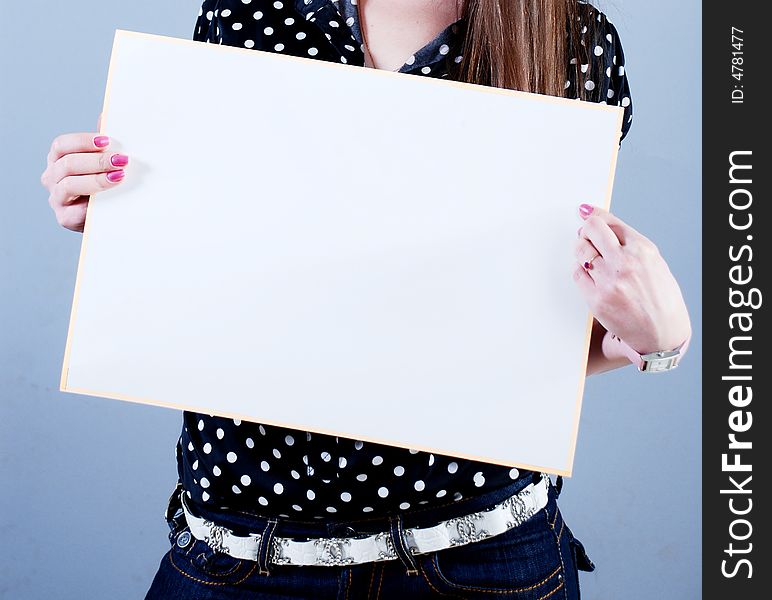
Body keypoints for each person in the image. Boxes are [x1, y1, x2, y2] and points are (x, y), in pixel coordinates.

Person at [40, 1, 692, 598]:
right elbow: (234, 275)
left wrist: (657, 341)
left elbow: (516, 339)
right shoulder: (247, 11)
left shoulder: (571, 40)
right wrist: (123, 220)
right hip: (242, 559)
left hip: (483, 560)